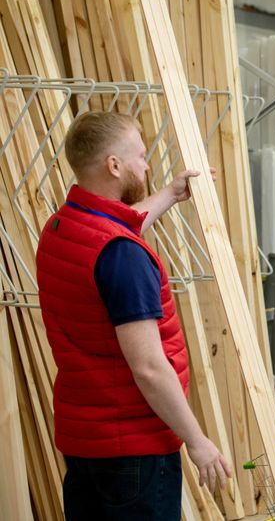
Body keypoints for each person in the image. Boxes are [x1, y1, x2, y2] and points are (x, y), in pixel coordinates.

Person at [36, 111, 231, 520]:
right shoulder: (123, 256)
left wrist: (171, 194)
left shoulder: (61, 227)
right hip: (134, 449)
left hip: (86, 441)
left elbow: (113, 228)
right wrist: (196, 440)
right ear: (114, 165)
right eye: (140, 156)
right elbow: (148, 367)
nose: (146, 165)